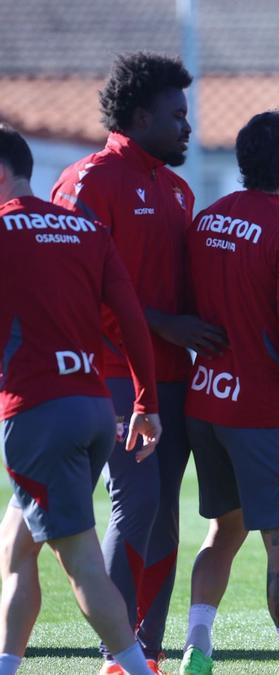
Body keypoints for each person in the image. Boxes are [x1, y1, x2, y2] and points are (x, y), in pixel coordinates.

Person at [50, 51, 221, 674]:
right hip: (111, 374)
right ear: (141, 114)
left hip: (174, 378)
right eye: (177, 115)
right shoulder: (91, 181)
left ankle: (144, 648)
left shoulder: (175, 187)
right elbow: (72, 285)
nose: (188, 127)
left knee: (164, 513)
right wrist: (164, 324)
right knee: (138, 504)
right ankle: (115, 655)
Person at [175, 110, 279, 675]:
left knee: (223, 529)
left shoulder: (206, 219)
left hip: (206, 400)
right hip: (263, 412)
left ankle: (197, 643)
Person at [0, 124, 162, 675]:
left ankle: (134, 669)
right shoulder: (83, 229)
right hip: (96, 406)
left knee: (81, 564)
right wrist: (146, 400)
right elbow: (131, 318)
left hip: (39, 413)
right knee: (16, 549)